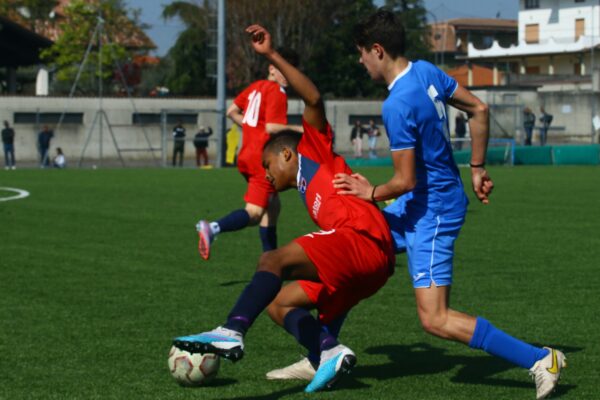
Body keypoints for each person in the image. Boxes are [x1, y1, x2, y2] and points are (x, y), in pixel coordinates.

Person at [330, 10, 564, 400]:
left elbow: (404, 179)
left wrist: (369, 193)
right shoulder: (424, 71)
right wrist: (476, 167)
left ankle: (541, 359)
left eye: (361, 53)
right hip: (419, 203)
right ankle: (323, 350)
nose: (360, 61)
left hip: (432, 212)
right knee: (356, 251)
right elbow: (479, 109)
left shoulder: (397, 104)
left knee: (435, 319)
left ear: (377, 50)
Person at [173, 24, 395, 394]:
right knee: (278, 303)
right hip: (368, 264)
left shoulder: (314, 150)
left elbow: (313, 98)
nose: (266, 174)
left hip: (361, 241)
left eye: (267, 165)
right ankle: (327, 351)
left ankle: (232, 330)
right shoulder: (307, 192)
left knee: (271, 261)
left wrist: (271, 55)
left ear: (287, 154)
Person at [195, 45, 302, 259]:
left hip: (246, 155)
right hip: (262, 160)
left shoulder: (256, 87)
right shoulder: (277, 92)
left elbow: (231, 112)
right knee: (254, 213)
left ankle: (270, 262)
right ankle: (212, 228)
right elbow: (272, 127)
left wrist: (252, 129)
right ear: (272, 68)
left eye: (290, 70)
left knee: (272, 206)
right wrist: (302, 130)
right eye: (283, 69)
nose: (287, 75)